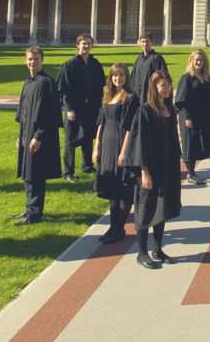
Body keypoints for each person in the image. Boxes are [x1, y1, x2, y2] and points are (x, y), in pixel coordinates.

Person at [122, 71, 183, 269]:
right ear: (154, 87)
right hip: (149, 168)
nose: (166, 88)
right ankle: (142, 252)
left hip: (166, 167)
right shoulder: (145, 111)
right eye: (162, 85)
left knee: (162, 208)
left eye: (168, 85)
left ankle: (157, 248)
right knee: (145, 208)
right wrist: (144, 172)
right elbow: (140, 144)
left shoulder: (168, 109)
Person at [92, 63, 139, 243]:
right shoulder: (108, 96)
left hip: (121, 145)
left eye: (121, 75)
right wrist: (96, 148)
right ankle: (112, 227)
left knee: (123, 189)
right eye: (114, 75)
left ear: (126, 77)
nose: (118, 78)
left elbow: (129, 127)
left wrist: (124, 151)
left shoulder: (131, 98)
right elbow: (101, 124)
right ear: (110, 78)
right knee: (112, 189)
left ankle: (119, 228)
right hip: (107, 146)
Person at [14, 46, 62, 225]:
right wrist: (22, 135)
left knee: (36, 174)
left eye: (35, 59)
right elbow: (24, 112)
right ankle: (28, 208)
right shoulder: (29, 81)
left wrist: (38, 136)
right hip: (27, 134)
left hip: (39, 137)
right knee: (27, 173)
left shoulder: (47, 82)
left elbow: (50, 113)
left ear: (42, 60)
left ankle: (35, 213)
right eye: (29, 59)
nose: (32, 62)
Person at [56, 34, 105, 181]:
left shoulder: (95, 64)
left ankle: (87, 165)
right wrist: (69, 109)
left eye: (89, 43)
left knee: (88, 136)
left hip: (91, 107)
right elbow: (64, 90)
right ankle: (68, 172)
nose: (87, 46)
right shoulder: (69, 65)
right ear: (78, 45)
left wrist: (100, 106)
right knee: (70, 140)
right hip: (74, 107)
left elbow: (99, 88)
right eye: (84, 43)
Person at [175, 49, 210, 185]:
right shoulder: (186, 78)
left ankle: (193, 171)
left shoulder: (207, 78)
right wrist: (186, 117)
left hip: (203, 116)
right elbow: (181, 100)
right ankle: (191, 173)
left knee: (199, 144)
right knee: (189, 144)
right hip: (189, 116)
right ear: (192, 61)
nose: (199, 62)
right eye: (196, 60)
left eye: (201, 60)